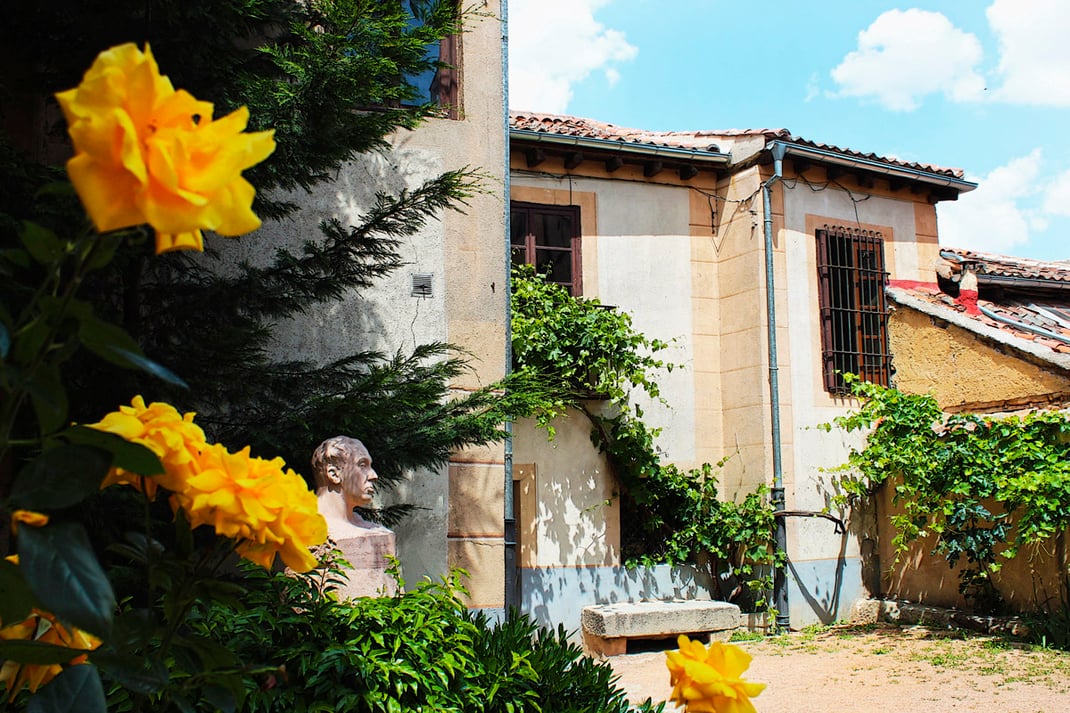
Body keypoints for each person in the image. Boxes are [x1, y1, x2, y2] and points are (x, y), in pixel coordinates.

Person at [311, 436, 385, 538]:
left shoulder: (374, 530)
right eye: (362, 465)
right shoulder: (307, 528)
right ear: (334, 474)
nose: (374, 476)